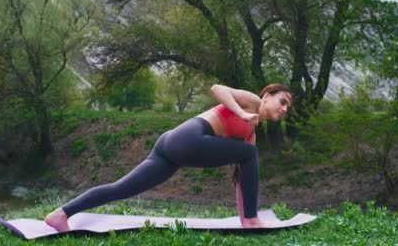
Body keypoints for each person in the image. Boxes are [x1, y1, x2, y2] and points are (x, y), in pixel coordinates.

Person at [44, 83, 292, 231]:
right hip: (189, 138)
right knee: (248, 154)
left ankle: (61, 214)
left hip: (170, 147)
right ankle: (252, 219)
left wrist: (244, 222)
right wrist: (241, 112)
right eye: (282, 101)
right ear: (267, 96)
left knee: (122, 188)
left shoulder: (250, 137)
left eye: (287, 108)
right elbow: (217, 88)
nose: (284, 109)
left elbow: (242, 182)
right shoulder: (251, 102)